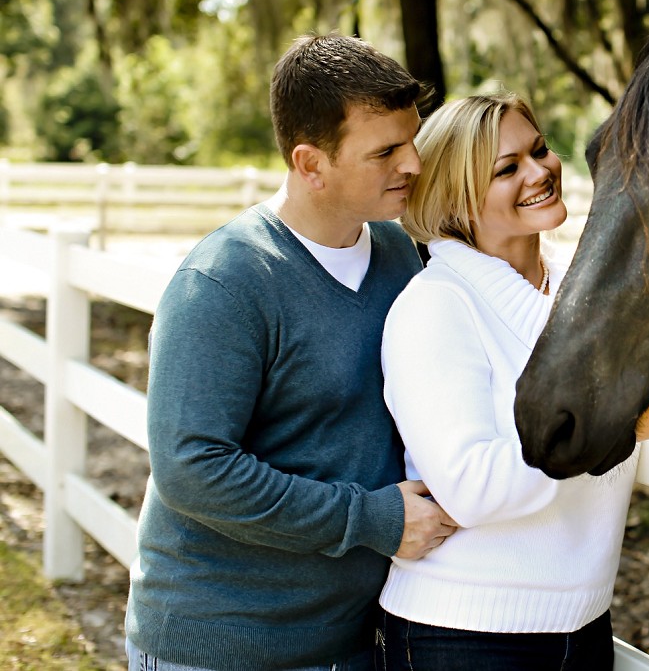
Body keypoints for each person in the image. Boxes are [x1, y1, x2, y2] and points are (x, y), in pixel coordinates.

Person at [125, 33, 458, 671]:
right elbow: (192, 468)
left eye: (411, 140)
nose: (413, 163)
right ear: (310, 164)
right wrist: (371, 519)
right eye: (384, 151)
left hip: (350, 641)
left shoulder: (400, 256)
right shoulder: (225, 281)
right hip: (217, 646)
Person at [377, 92, 649, 670]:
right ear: (456, 199)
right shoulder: (435, 307)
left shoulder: (586, 293)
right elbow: (472, 485)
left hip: (584, 627)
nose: (540, 171)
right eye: (507, 168)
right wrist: (628, 424)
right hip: (463, 634)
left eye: (539, 150)